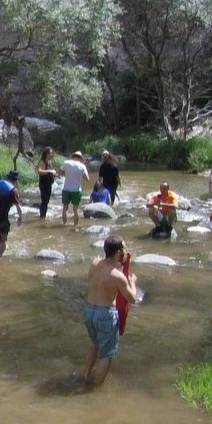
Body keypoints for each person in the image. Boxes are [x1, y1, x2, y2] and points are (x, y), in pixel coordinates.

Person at [84, 235, 138, 387]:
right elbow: (132, 298)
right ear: (118, 252)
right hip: (105, 314)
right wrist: (132, 282)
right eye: (124, 249)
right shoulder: (117, 276)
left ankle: (85, 376)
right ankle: (94, 388)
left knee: (94, 344)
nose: (125, 252)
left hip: (89, 311)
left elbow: (104, 275)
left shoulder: (94, 263)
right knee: (106, 355)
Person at [59, 150, 90, 225]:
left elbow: (59, 173)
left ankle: (64, 224)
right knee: (75, 210)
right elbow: (87, 179)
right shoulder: (82, 166)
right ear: (80, 158)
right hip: (76, 190)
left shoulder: (66, 163)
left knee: (65, 208)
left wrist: (66, 173)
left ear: (73, 157)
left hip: (66, 189)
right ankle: (75, 226)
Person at [35, 147, 57, 219]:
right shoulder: (42, 162)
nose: (52, 154)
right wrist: (49, 171)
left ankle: (43, 216)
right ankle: (42, 217)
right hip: (43, 184)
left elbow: (50, 171)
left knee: (46, 201)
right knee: (44, 201)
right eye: (50, 153)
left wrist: (55, 174)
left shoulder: (49, 162)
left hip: (48, 183)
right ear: (46, 154)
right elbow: (39, 171)